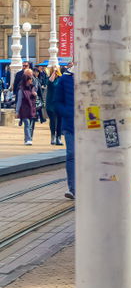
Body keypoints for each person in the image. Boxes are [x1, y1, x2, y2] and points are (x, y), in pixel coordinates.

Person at [52, 64, 74, 199]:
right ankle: (73, 189)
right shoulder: (65, 79)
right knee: (72, 154)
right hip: (70, 124)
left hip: (91, 126)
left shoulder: (94, 78)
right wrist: (67, 113)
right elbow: (56, 102)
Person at [16, 70, 39, 145]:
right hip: (24, 109)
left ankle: (27, 138)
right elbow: (19, 101)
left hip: (32, 109)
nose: (31, 80)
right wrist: (17, 111)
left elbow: (35, 98)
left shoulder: (33, 88)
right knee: (27, 124)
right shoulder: (21, 89)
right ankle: (28, 139)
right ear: (27, 80)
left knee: (30, 125)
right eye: (30, 79)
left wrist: (35, 94)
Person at [45, 66, 62, 145]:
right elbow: (50, 81)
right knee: (53, 121)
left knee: (59, 121)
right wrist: (54, 73)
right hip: (51, 104)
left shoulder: (61, 79)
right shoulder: (49, 79)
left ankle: (59, 137)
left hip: (60, 104)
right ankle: (53, 136)